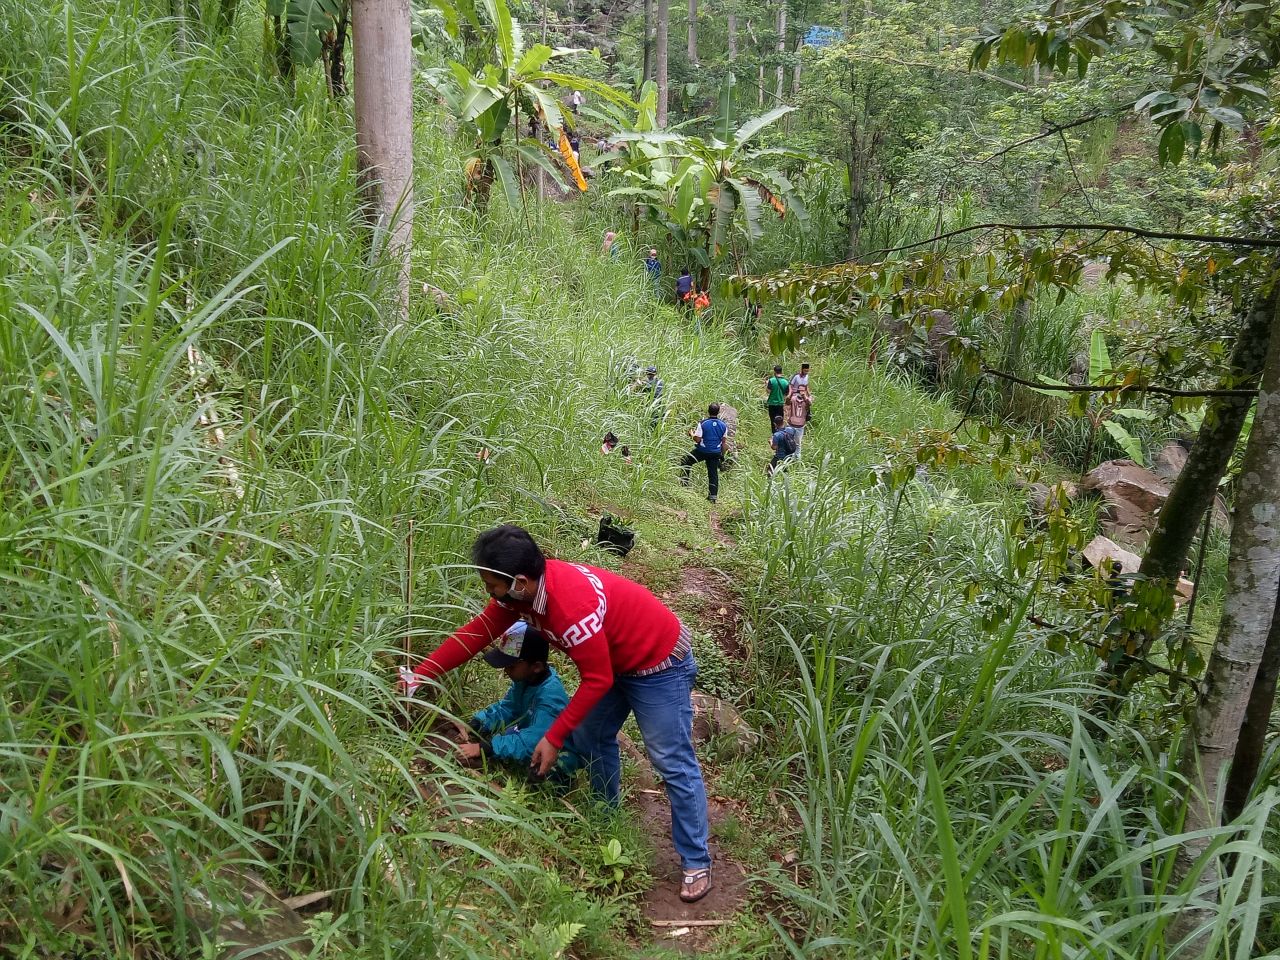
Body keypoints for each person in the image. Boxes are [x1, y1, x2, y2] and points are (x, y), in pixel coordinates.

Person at [402, 525, 714, 902]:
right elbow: (477, 632)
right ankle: (605, 816)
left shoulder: (570, 607)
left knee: (670, 760)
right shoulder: (518, 598)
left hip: (658, 663)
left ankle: (696, 858)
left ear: (519, 580)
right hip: (615, 660)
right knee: (591, 736)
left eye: (492, 585)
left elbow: (595, 680)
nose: (490, 594)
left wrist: (552, 737)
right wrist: (420, 676)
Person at [454, 622, 583, 780]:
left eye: (511, 666)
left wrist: (483, 748)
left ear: (536, 666)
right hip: (530, 737)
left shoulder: (550, 697)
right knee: (503, 737)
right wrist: (476, 723)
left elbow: (534, 740)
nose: (506, 670)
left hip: (556, 758)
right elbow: (508, 708)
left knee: (537, 775)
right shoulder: (526, 680)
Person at [680, 403, 728, 503]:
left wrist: (692, 435)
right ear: (718, 412)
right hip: (715, 452)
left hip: (702, 451)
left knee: (685, 460)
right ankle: (713, 496)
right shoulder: (724, 425)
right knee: (713, 473)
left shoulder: (703, 423)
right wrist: (721, 455)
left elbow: (698, 439)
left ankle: (684, 485)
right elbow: (724, 443)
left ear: (708, 411)